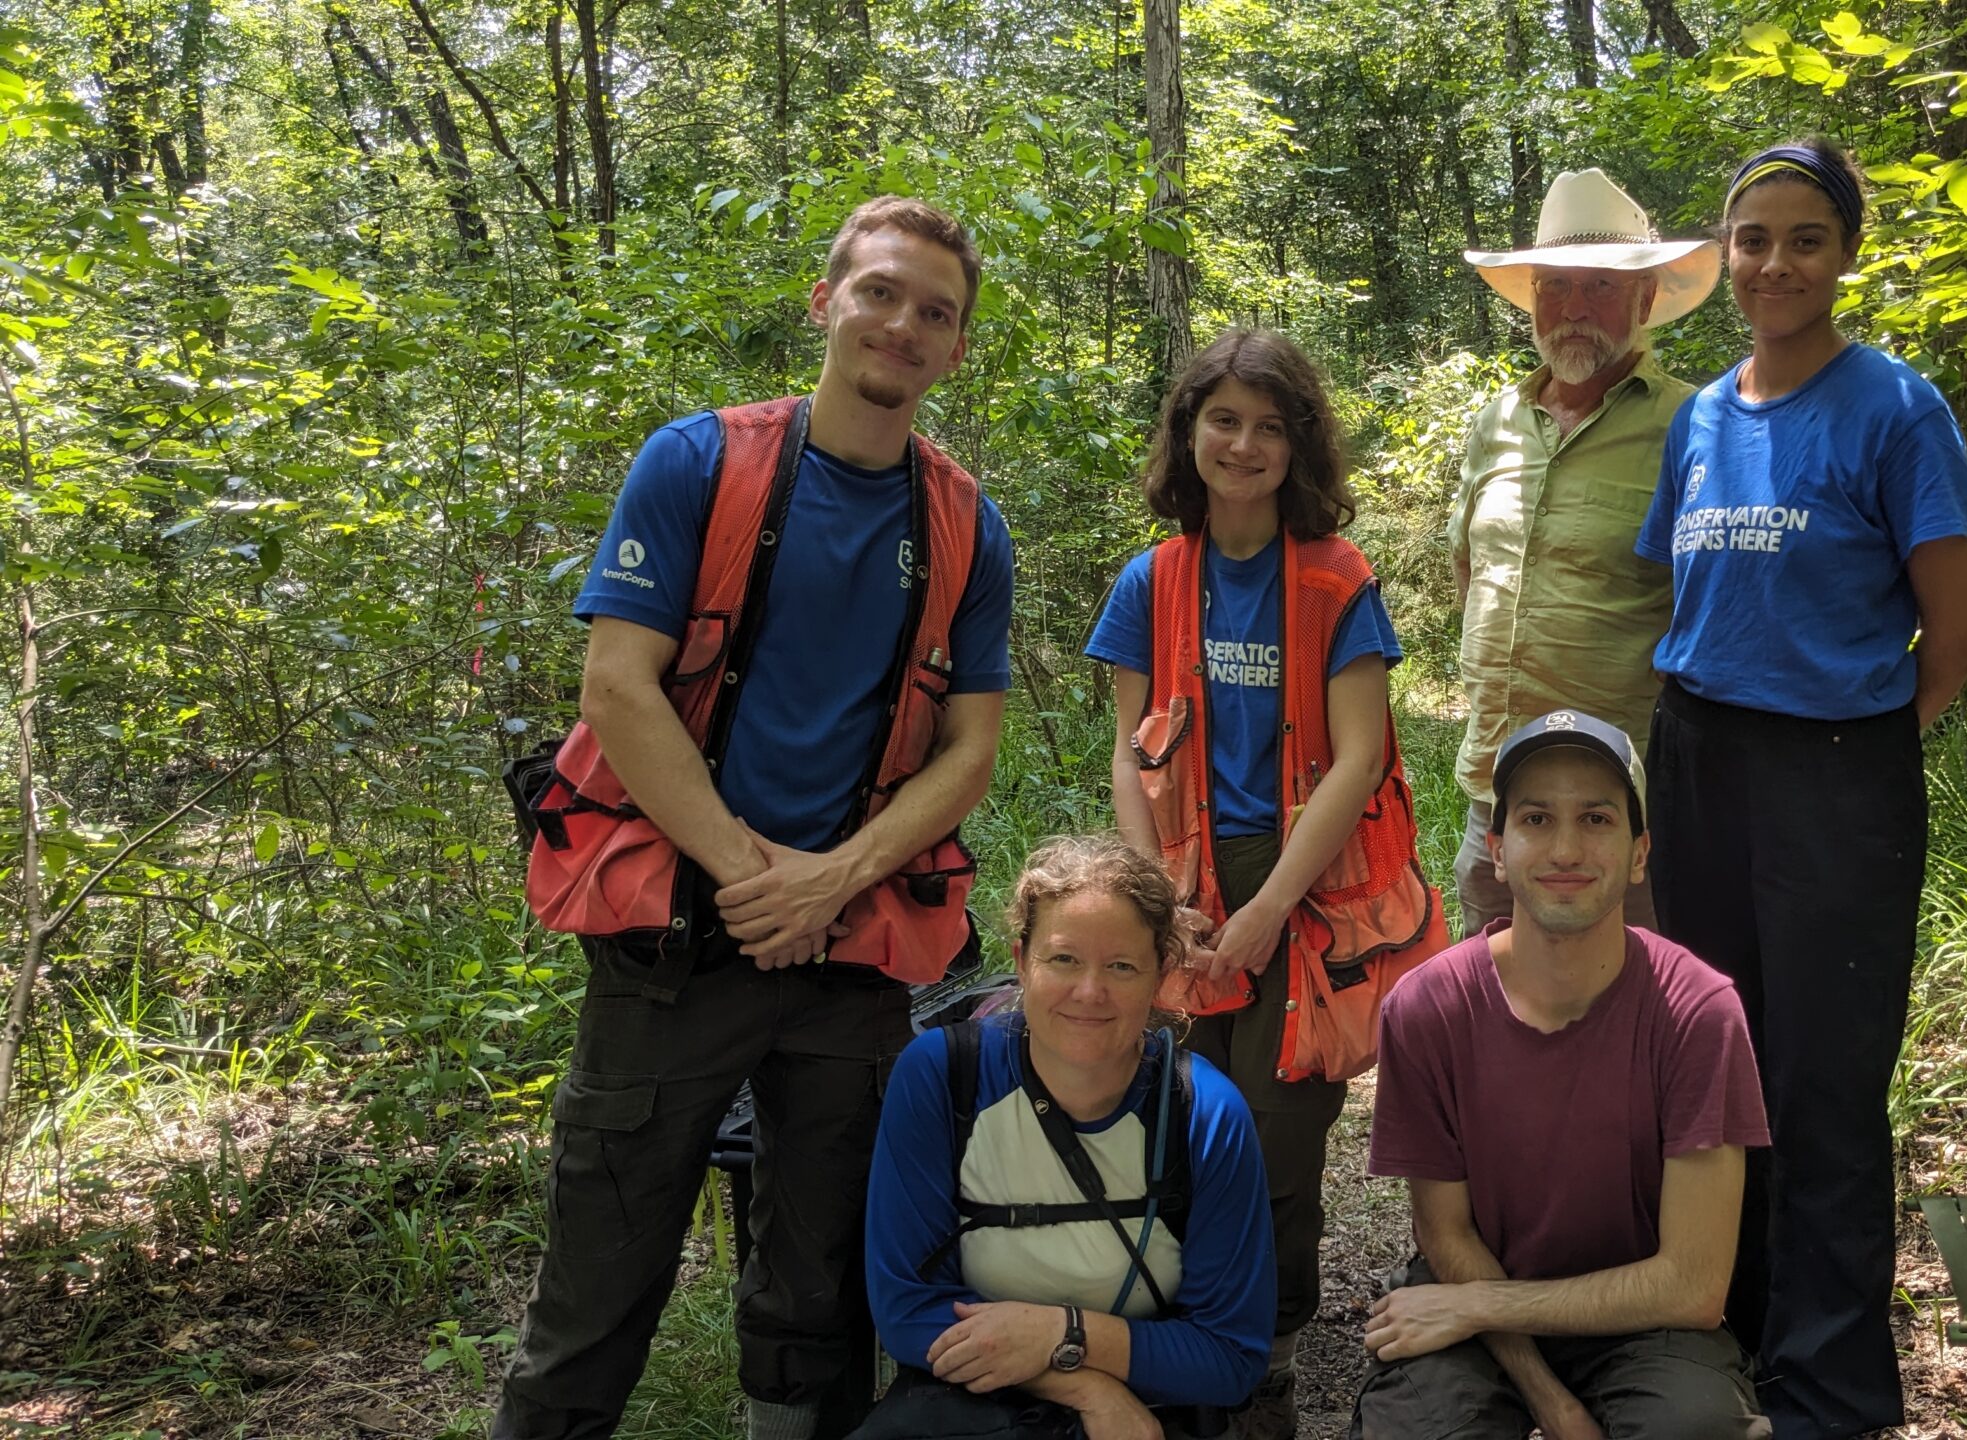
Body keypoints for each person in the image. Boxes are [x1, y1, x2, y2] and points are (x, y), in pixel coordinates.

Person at [493, 196, 1016, 1440]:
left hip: (854, 955)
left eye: (934, 312)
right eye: (880, 292)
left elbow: (968, 748)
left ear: (953, 349)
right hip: (673, 941)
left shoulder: (964, 525)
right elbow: (618, 685)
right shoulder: (697, 461)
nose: (902, 324)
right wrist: (755, 878)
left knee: (819, 1287)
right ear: (825, 300)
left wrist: (832, 882)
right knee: (599, 1281)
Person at [1636, 138, 1967, 1439]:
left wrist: (1857, 744)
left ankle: (1829, 1389)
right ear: (1723, 254)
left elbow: (1952, 639)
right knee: (1721, 1067)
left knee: (1827, 1084)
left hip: (1840, 775)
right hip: (1700, 758)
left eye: (1804, 239)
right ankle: (1725, 1336)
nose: (1775, 262)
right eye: (1751, 238)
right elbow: (1683, 598)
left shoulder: (1896, 409)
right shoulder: (1701, 420)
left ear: (1845, 254)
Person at [1087, 327, 1439, 1440]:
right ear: (1189, 433)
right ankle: (1191, 1336)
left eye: (1268, 427)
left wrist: (1268, 908)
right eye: (1222, 420)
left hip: (1308, 893)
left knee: (1276, 1138)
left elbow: (1361, 758)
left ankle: (1271, 1353)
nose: (1242, 445)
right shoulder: (1154, 577)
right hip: (1182, 891)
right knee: (1184, 1122)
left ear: (1300, 447)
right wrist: (1153, 900)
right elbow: (1127, 748)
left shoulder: (1338, 580)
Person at [1354, 710, 1772, 1440]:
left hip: (1641, 1315)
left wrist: (1487, 1306)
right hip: (1471, 1297)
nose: (1567, 848)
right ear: (1496, 848)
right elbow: (1446, 1233)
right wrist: (1552, 1401)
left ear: (1640, 853)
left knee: (1698, 1427)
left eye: (1598, 819)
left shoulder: (1698, 1010)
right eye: (1537, 818)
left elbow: (1694, 1287)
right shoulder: (1427, 1008)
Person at [860, 834, 1278, 1440]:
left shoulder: (1204, 1113)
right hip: (976, 1397)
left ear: (1162, 974)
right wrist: (1082, 1381)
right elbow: (905, 1311)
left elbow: (1230, 1358)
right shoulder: (943, 1078)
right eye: (1063, 960)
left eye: (1122, 966)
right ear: (1021, 958)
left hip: (1154, 1409)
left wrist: (1060, 1334)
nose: (1090, 991)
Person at [1446, 168, 1721, 937]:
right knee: (1495, 1010)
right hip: (1495, 792)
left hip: (1626, 803)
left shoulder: (1695, 426)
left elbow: (1716, 609)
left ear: (1645, 300)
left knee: (1625, 1020)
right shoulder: (1496, 421)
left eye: (1598, 286)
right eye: (1554, 287)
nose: (1571, 310)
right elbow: (1471, 573)